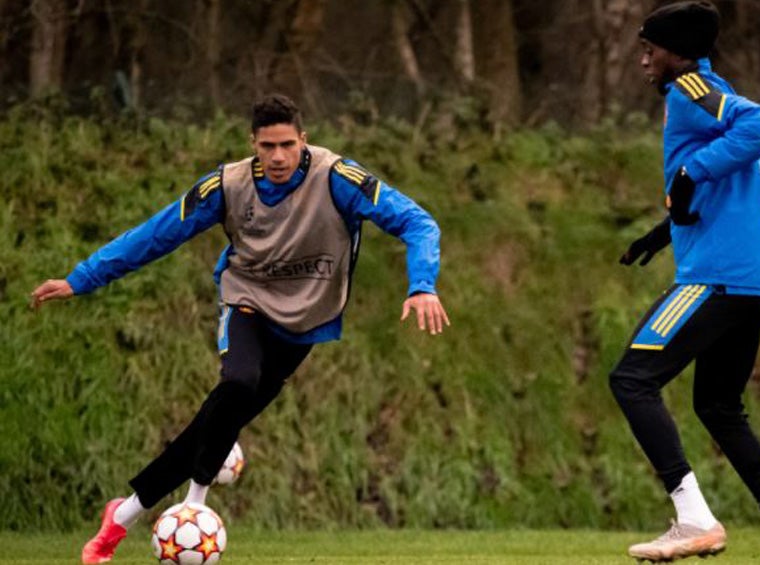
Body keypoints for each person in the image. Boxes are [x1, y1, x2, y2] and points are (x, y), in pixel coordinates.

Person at [30, 94, 450, 564]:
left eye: (286, 145)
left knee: (219, 420)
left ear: (303, 141)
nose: (276, 156)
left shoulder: (337, 178)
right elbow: (156, 233)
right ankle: (193, 506)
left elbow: (418, 222)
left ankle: (122, 516)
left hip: (306, 319)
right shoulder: (225, 185)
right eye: (266, 145)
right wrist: (82, 278)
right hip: (246, 300)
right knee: (238, 382)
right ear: (252, 143)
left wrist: (422, 285)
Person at [611, 2, 760, 563]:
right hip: (754, 279)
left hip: (718, 277)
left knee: (632, 378)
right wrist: (662, 233)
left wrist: (688, 174)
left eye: (650, 49)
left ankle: (693, 518)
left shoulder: (692, 87)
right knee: (719, 408)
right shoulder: (711, 95)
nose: (644, 60)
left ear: (677, 52)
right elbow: (733, 176)